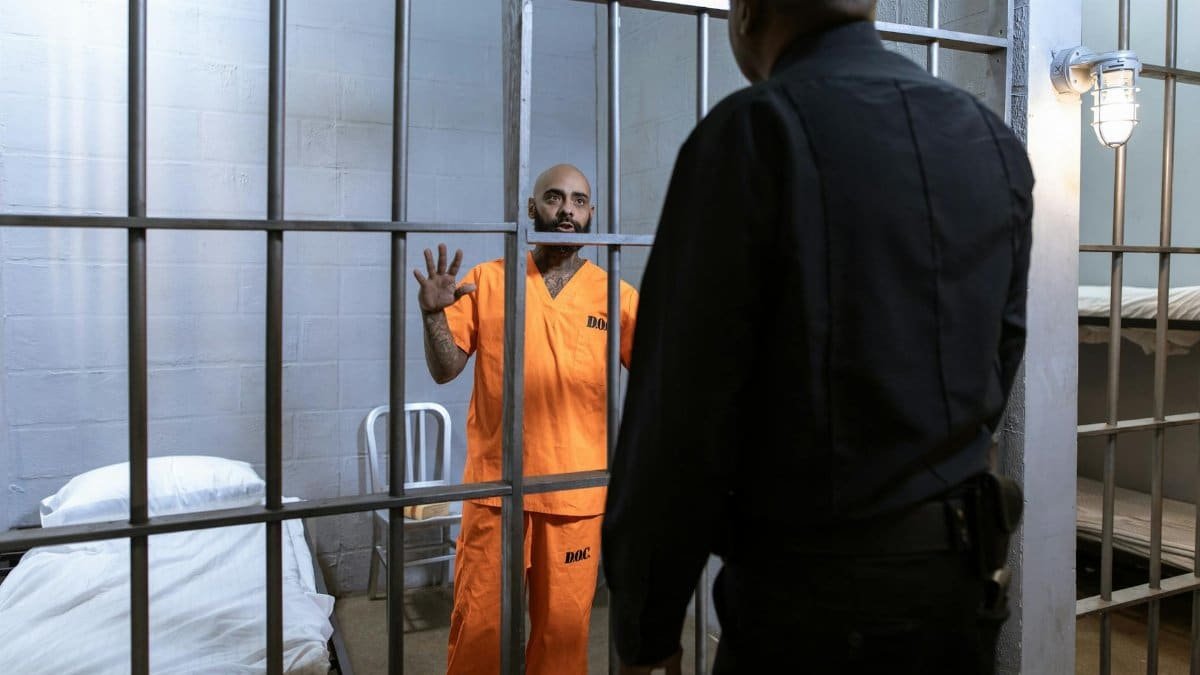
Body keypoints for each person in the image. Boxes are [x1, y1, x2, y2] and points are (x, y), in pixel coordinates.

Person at [601, 1, 1033, 673]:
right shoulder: (993, 140)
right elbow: (1002, 356)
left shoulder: (752, 132)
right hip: (959, 590)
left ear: (746, 14)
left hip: (810, 607)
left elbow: (677, 420)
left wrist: (646, 629)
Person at [414, 164, 639, 674]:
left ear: (591, 215)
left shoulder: (615, 296)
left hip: (574, 495)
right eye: (554, 198)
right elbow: (445, 369)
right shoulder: (489, 281)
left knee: (562, 635)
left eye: (578, 201)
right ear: (532, 208)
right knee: (480, 628)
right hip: (497, 491)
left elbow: (658, 378)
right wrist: (432, 316)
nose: (566, 210)